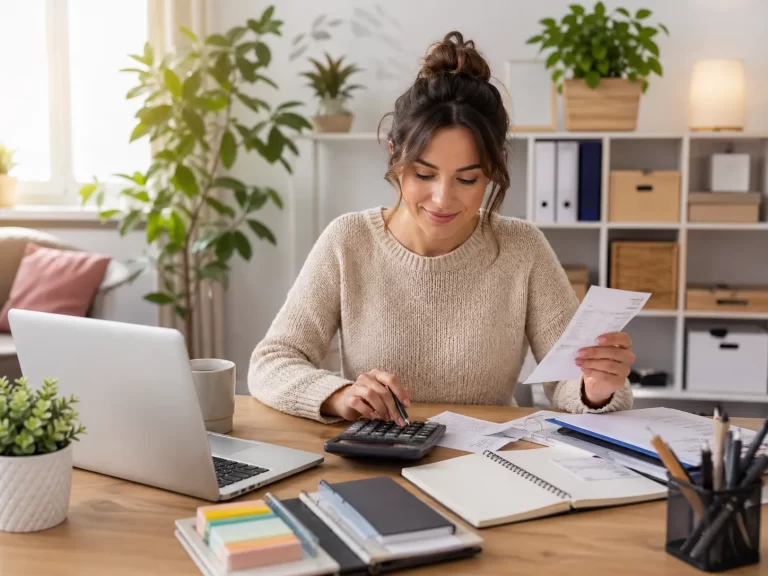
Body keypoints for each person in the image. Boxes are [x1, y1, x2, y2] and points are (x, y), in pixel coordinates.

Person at [249, 31, 636, 425]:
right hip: (378, 463)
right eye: (424, 174)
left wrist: (596, 387)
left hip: (485, 467)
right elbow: (272, 362)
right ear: (394, 157)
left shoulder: (523, 248)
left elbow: (568, 382)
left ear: (491, 172)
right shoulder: (348, 241)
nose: (442, 199)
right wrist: (339, 395)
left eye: (467, 180)